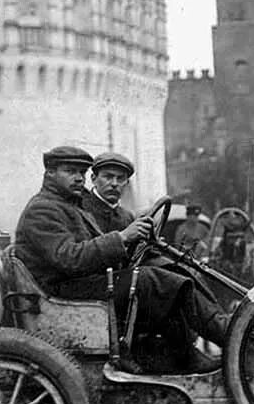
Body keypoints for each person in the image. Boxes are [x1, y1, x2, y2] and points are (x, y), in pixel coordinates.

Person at [15, 146, 228, 373]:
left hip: (78, 283)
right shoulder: (43, 209)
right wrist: (123, 237)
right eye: (70, 171)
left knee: (170, 276)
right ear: (50, 173)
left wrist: (136, 243)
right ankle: (225, 339)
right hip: (63, 291)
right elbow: (70, 258)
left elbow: (87, 251)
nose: (78, 178)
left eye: (81, 172)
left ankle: (204, 343)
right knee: (154, 281)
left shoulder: (68, 206)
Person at [82, 152, 136, 235]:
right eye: (108, 177)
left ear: (127, 183)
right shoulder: (81, 210)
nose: (114, 183)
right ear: (94, 179)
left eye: (120, 178)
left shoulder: (128, 217)